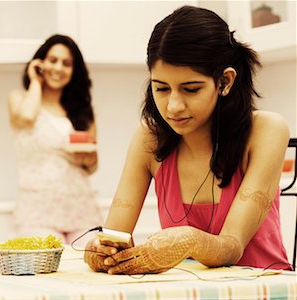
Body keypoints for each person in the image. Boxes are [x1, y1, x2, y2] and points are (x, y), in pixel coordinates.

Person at [84, 5, 291, 274]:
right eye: (161, 88)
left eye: (190, 89)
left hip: (264, 289)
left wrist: (188, 240)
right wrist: (99, 252)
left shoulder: (267, 130)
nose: (173, 106)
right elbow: (114, 234)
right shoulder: (150, 139)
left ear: (225, 82)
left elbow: (232, 247)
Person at [7, 34, 101, 245]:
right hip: (37, 211)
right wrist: (35, 81)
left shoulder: (83, 112)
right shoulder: (19, 99)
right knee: (47, 269)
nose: (58, 68)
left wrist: (87, 158)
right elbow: (27, 117)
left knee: (90, 268)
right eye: (53, 60)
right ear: (40, 62)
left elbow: (93, 166)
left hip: (81, 209)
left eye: (66, 64)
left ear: (74, 71)